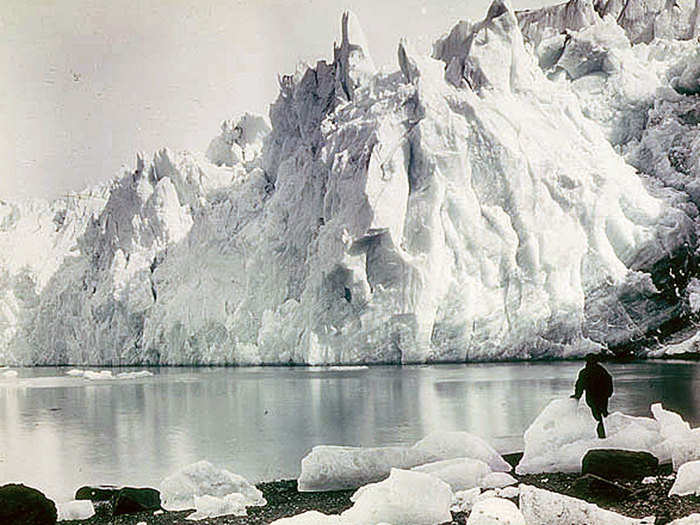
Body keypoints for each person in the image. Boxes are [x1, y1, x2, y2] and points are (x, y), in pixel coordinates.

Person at [571, 354, 614, 438]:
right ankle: (606, 432)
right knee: (603, 413)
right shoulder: (602, 370)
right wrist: (609, 393)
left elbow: (580, 385)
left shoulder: (585, 372)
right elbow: (609, 380)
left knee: (597, 417)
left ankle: (602, 435)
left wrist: (577, 396)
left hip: (592, 397)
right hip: (603, 397)